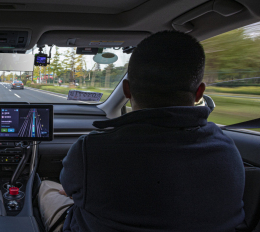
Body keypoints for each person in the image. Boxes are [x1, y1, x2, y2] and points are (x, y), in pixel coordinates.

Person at [38, 30, 245, 232]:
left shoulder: (90, 150)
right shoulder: (228, 150)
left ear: (127, 90)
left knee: (47, 187)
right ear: (199, 91)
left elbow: (69, 188)